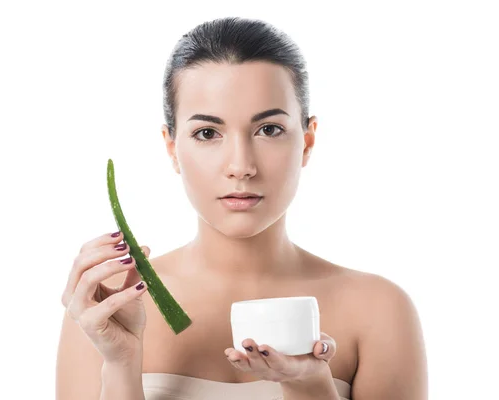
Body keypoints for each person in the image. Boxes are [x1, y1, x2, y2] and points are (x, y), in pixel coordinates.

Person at [56, 16, 428, 400]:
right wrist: (120, 364)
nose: (240, 166)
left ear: (307, 140)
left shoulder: (379, 311)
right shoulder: (106, 307)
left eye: (268, 130)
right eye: (207, 133)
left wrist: (310, 386)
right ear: (172, 147)